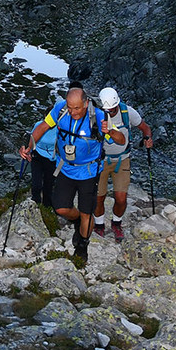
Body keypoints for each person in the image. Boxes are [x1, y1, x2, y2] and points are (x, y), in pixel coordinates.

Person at [20, 82, 124, 260]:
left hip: (89, 172)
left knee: (86, 212)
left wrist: (110, 131)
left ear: (85, 103)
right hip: (66, 168)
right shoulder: (60, 110)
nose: (73, 112)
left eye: (76, 108)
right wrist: (29, 146)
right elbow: (43, 127)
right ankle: (77, 222)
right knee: (60, 208)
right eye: (70, 107)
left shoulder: (99, 116)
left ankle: (82, 245)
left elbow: (121, 140)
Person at [93, 86, 152, 240]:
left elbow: (145, 127)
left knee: (121, 198)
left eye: (112, 110)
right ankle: (99, 225)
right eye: (106, 110)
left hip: (122, 159)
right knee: (98, 197)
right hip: (100, 161)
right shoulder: (95, 115)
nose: (109, 113)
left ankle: (116, 223)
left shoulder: (127, 112)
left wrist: (147, 138)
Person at [25, 119, 59, 209]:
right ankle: (35, 203)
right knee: (36, 184)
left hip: (52, 159)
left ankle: (47, 207)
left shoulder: (60, 128)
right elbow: (32, 138)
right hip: (37, 156)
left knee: (49, 184)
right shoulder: (39, 125)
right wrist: (28, 151)